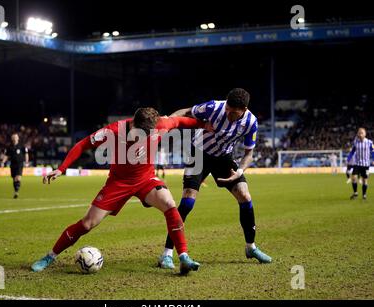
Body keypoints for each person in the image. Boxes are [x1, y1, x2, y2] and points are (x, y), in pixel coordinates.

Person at [31, 108, 204, 274]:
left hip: (145, 179)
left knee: (169, 203)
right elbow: (82, 144)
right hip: (118, 183)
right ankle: (49, 257)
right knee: (87, 223)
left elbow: (181, 120)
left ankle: (183, 256)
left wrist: (206, 126)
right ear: (133, 125)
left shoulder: (160, 125)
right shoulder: (114, 131)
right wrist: (61, 168)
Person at [158, 88, 272, 269]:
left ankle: (251, 247)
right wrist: (167, 122)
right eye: (227, 108)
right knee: (187, 201)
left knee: (245, 195)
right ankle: (166, 254)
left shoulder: (251, 122)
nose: (228, 113)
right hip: (199, 155)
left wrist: (240, 171)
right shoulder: (213, 107)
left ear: (243, 110)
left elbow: (249, 153)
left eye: (233, 112)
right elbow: (186, 111)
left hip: (223, 159)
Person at [348, 128, 374, 200]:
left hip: (366, 165)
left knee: (364, 180)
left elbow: (373, 151)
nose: (360, 134)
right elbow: (352, 151)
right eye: (359, 133)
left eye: (362, 133)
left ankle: (364, 195)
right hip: (357, 163)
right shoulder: (356, 142)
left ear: (365, 134)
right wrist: (349, 158)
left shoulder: (369, 142)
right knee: (353, 178)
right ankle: (355, 193)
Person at [1, 134, 29, 199]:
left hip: (20, 164)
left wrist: (27, 162)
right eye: (13, 137)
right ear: (11, 138)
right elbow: (6, 155)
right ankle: (16, 191)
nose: (15, 138)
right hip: (12, 164)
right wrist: (2, 162)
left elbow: (26, 154)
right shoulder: (9, 147)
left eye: (16, 137)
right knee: (14, 179)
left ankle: (16, 191)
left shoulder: (22, 146)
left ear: (18, 138)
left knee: (18, 177)